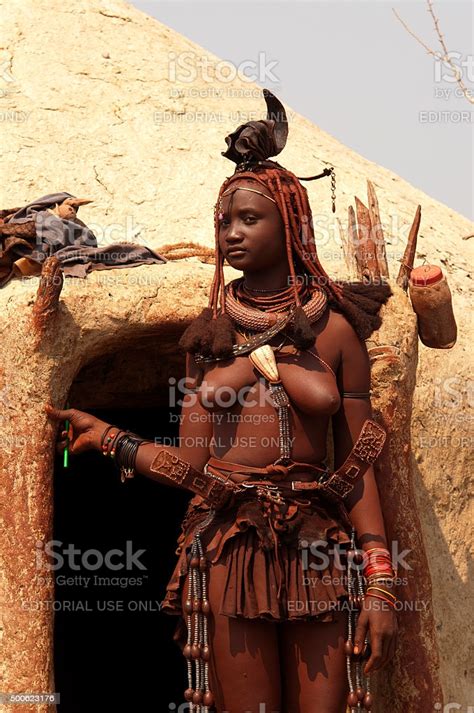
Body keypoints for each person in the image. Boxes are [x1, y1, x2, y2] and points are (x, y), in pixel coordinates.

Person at [46, 90, 399, 713]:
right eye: (223, 223)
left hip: (320, 545)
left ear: (289, 226)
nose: (231, 234)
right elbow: (194, 468)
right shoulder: (209, 339)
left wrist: (380, 584)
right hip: (231, 547)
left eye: (248, 219)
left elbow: (358, 463)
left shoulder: (337, 331)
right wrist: (111, 438)